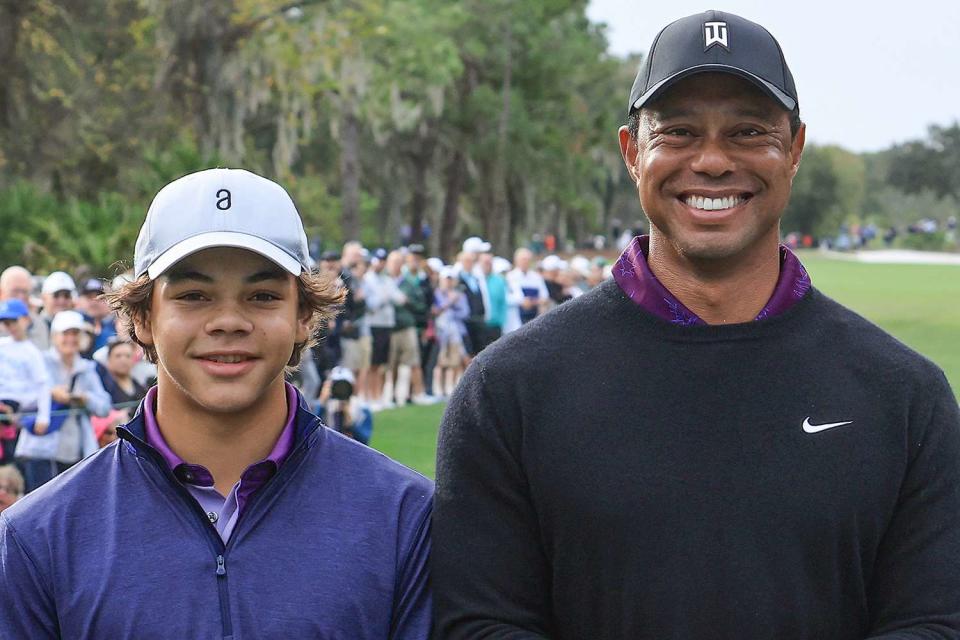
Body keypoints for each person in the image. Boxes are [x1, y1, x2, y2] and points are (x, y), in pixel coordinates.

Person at [432, 11, 960, 639]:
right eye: (678, 132)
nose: (712, 161)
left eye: (747, 131)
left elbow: (932, 622)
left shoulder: (903, 395)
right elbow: (480, 624)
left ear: (793, 150)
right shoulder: (510, 388)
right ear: (633, 153)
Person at [0, 168, 432, 638]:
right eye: (194, 295)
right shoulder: (38, 536)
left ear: (303, 315)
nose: (228, 320)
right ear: (142, 317)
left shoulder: (404, 516)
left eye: (262, 295)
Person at [0, 299, 51, 466]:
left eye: (13, 321)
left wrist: (44, 417)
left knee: (14, 460)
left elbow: (42, 384)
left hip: (19, 412)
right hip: (3, 405)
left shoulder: (32, 352)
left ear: (26, 320)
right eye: (6, 322)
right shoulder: (2, 346)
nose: (10, 326)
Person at [504, 247, 548, 333]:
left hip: (535, 317)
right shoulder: (510, 277)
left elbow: (544, 296)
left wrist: (536, 302)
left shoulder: (537, 277)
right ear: (516, 260)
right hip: (517, 319)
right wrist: (521, 301)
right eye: (523, 259)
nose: (525, 262)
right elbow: (507, 297)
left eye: (528, 259)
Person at [96, 339, 148, 407]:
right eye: (118, 356)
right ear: (109, 360)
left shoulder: (141, 388)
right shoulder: (102, 388)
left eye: (128, 356)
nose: (123, 360)